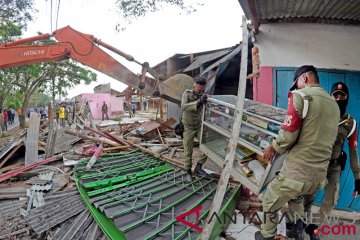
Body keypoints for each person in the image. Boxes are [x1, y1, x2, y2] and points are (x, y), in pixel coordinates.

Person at [255, 66, 340, 240]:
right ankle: (295, 232)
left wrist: (273, 148)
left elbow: (288, 135)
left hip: (297, 172)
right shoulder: (334, 105)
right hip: (317, 177)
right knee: (296, 198)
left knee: (270, 200)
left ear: (305, 79)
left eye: (297, 84)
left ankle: (266, 236)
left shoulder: (300, 96)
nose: (297, 88)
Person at [302, 82, 360, 232]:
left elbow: (353, 151)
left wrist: (358, 178)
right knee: (308, 194)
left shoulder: (351, 123)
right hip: (317, 163)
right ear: (330, 97)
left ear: (347, 98)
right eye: (335, 95)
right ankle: (301, 221)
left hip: (334, 166)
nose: (339, 98)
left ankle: (316, 227)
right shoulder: (319, 115)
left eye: (342, 95)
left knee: (331, 199)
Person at [181, 77, 208, 181]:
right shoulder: (186, 94)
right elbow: (183, 106)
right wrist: (197, 103)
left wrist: (206, 100)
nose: (200, 92)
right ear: (194, 86)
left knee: (207, 146)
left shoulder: (203, 95)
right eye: (198, 90)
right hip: (188, 126)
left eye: (202, 90)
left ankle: (199, 167)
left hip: (198, 125)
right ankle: (188, 172)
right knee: (188, 150)